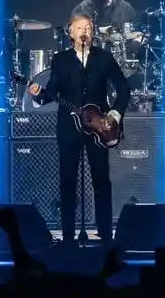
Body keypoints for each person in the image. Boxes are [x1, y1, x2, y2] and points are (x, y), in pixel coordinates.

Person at [27, 15, 130, 243]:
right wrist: (37, 96)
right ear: (71, 34)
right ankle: (67, 236)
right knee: (68, 182)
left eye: (88, 28)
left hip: (99, 127)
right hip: (69, 127)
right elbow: (52, 92)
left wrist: (113, 115)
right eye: (79, 28)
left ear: (92, 33)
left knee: (101, 180)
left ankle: (105, 235)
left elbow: (123, 89)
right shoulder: (61, 60)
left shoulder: (104, 58)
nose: (84, 31)